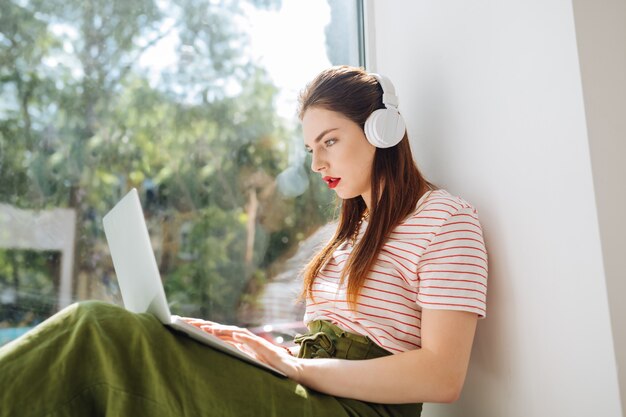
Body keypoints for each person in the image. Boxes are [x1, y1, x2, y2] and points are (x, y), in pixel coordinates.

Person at [0, 66, 487, 417]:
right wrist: (229, 341)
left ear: (383, 130)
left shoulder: (445, 221)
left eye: (330, 141)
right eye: (310, 149)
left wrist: (297, 370)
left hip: (351, 409)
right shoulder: (349, 234)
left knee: (96, 330)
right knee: (140, 336)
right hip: (309, 388)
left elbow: (442, 376)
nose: (317, 164)